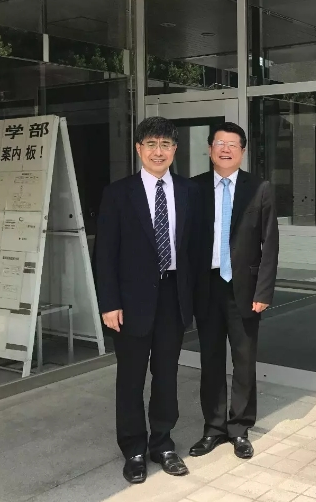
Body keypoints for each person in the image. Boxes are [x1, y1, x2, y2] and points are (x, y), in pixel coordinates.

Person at [95, 117, 203, 484]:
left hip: (173, 295)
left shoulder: (189, 191)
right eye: (152, 144)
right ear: (139, 149)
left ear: (175, 150)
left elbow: (194, 250)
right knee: (130, 377)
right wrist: (109, 303)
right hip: (129, 301)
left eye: (166, 145)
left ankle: (162, 443)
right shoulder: (118, 193)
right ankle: (134, 449)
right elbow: (105, 254)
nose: (159, 152)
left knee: (166, 374)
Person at [189, 122, 279, 460]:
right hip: (207, 286)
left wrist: (264, 291)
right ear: (210, 149)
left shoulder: (260, 188)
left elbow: (270, 244)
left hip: (245, 288)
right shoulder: (194, 188)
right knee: (210, 360)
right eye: (219, 143)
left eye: (232, 144)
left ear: (242, 150)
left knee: (244, 360)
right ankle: (213, 428)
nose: (225, 149)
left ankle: (239, 428)